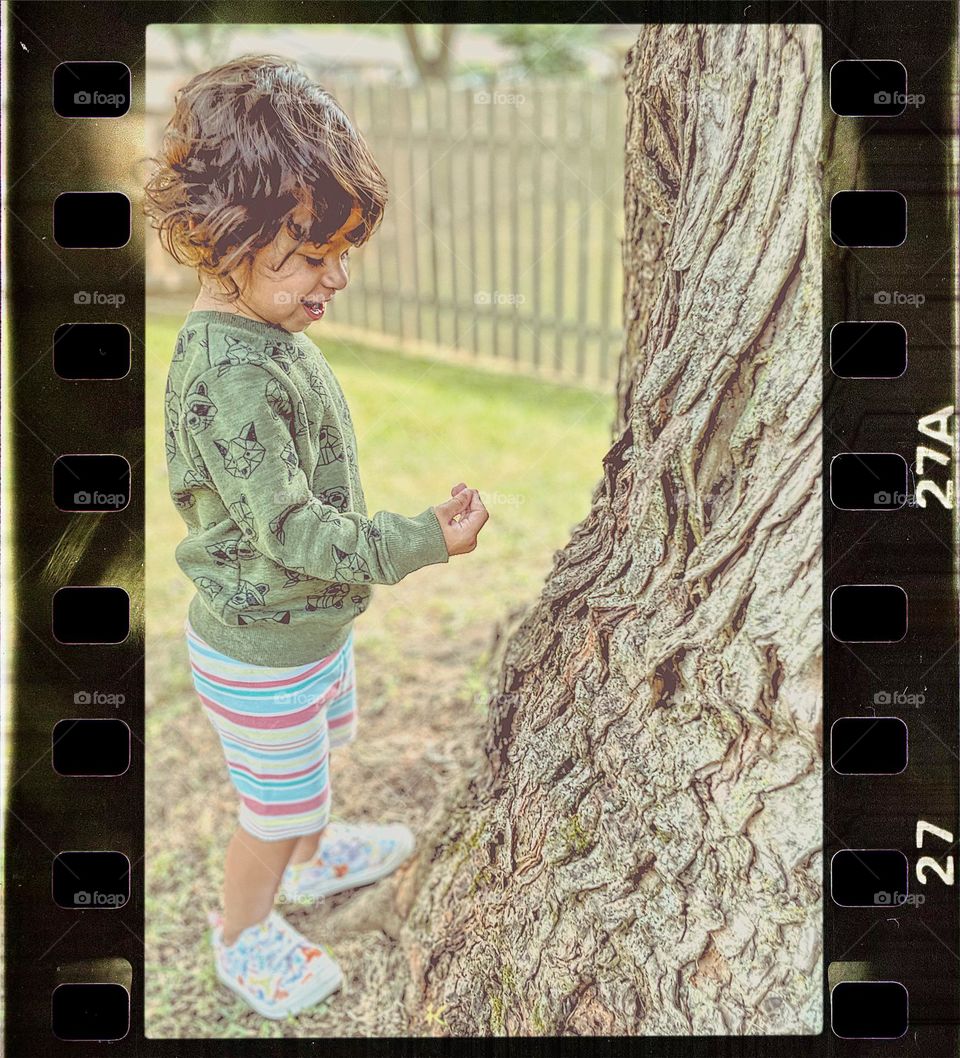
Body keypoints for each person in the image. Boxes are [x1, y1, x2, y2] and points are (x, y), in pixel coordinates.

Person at [144, 54, 488, 1020]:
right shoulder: (234, 375)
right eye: (308, 256)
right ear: (223, 242)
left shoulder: (263, 334)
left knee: (321, 757)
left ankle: (312, 860)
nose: (335, 275)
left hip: (304, 639)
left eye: (342, 249)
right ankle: (242, 935)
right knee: (275, 805)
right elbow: (290, 528)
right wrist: (417, 540)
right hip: (258, 653)